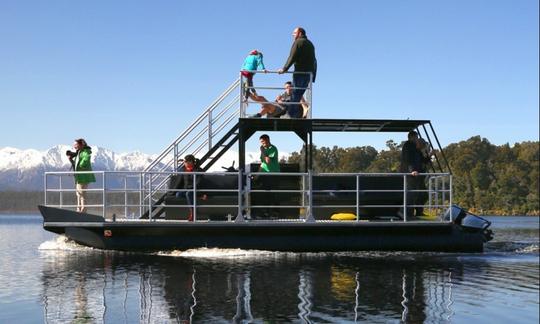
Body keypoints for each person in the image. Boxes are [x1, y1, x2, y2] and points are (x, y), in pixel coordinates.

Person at [278, 27, 317, 118]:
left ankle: (290, 115)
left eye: (294, 33)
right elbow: (314, 61)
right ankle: (296, 113)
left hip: (300, 73)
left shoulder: (298, 42)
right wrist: (313, 76)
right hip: (308, 74)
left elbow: (292, 56)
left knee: (295, 93)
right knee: (298, 94)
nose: (293, 35)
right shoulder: (310, 44)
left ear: (300, 33)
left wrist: (284, 69)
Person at [66, 138, 96, 213]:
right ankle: (79, 209)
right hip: (79, 176)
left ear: (81, 144)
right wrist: (70, 159)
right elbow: (75, 164)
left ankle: (83, 210)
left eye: (76, 145)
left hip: (83, 176)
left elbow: (86, 159)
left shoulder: (85, 152)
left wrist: (81, 165)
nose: (74, 146)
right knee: (78, 193)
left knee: (82, 193)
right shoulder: (79, 153)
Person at [176, 154, 207, 221]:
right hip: (188, 189)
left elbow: (199, 183)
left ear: (191, 162)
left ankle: (193, 214)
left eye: (185, 162)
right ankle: (199, 197)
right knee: (178, 194)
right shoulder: (183, 170)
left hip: (197, 189)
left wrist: (191, 188)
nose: (184, 163)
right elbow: (180, 181)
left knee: (189, 193)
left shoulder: (198, 170)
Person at [399, 131, 423, 218]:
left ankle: (417, 212)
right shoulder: (408, 145)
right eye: (416, 137)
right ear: (412, 137)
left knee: (418, 194)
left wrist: (430, 155)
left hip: (416, 175)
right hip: (409, 174)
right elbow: (407, 159)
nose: (417, 139)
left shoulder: (416, 148)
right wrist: (412, 171)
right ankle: (407, 213)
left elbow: (421, 160)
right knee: (410, 194)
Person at [258, 134, 280, 218]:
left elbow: (267, 161)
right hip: (265, 175)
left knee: (274, 194)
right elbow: (263, 163)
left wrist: (262, 151)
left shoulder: (273, 148)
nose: (262, 144)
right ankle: (266, 213)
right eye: (261, 142)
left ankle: (275, 213)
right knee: (265, 194)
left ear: (267, 140)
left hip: (274, 174)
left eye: (263, 142)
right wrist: (257, 175)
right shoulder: (263, 149)